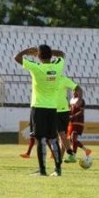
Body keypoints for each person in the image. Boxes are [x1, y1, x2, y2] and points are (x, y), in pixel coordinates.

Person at [14, 45, 67, 176]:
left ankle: (42, 170)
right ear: (50, 55)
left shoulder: (36, 67)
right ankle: (58, 169)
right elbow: (62, 54)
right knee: (53, 139)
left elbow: (17, 57)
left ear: (38, 56)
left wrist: (28, 51)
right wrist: (48, 52)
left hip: (38, 107)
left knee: (40, 139)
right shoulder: (58, 66)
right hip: (52, 108)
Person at [56, 75, 78, 163]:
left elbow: (77, 87)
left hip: (59, 111)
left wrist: (79, 99)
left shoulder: (62, 79)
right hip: (64, 111)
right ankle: (59, 162)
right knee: (62, 137)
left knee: (61, 134)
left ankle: (71, 153)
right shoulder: (61, 79)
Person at [68, 87, 92, 159]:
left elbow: (82, 112)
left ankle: (73, 156)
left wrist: (73, 116)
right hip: (72, 122)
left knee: (73, 137)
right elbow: (70, 110)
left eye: (76, 91)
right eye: (73, 90)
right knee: (71, 140)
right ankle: (86, 150)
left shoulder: (81, 101)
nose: (74, 92)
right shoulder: (71, 100)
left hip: (79, 122)